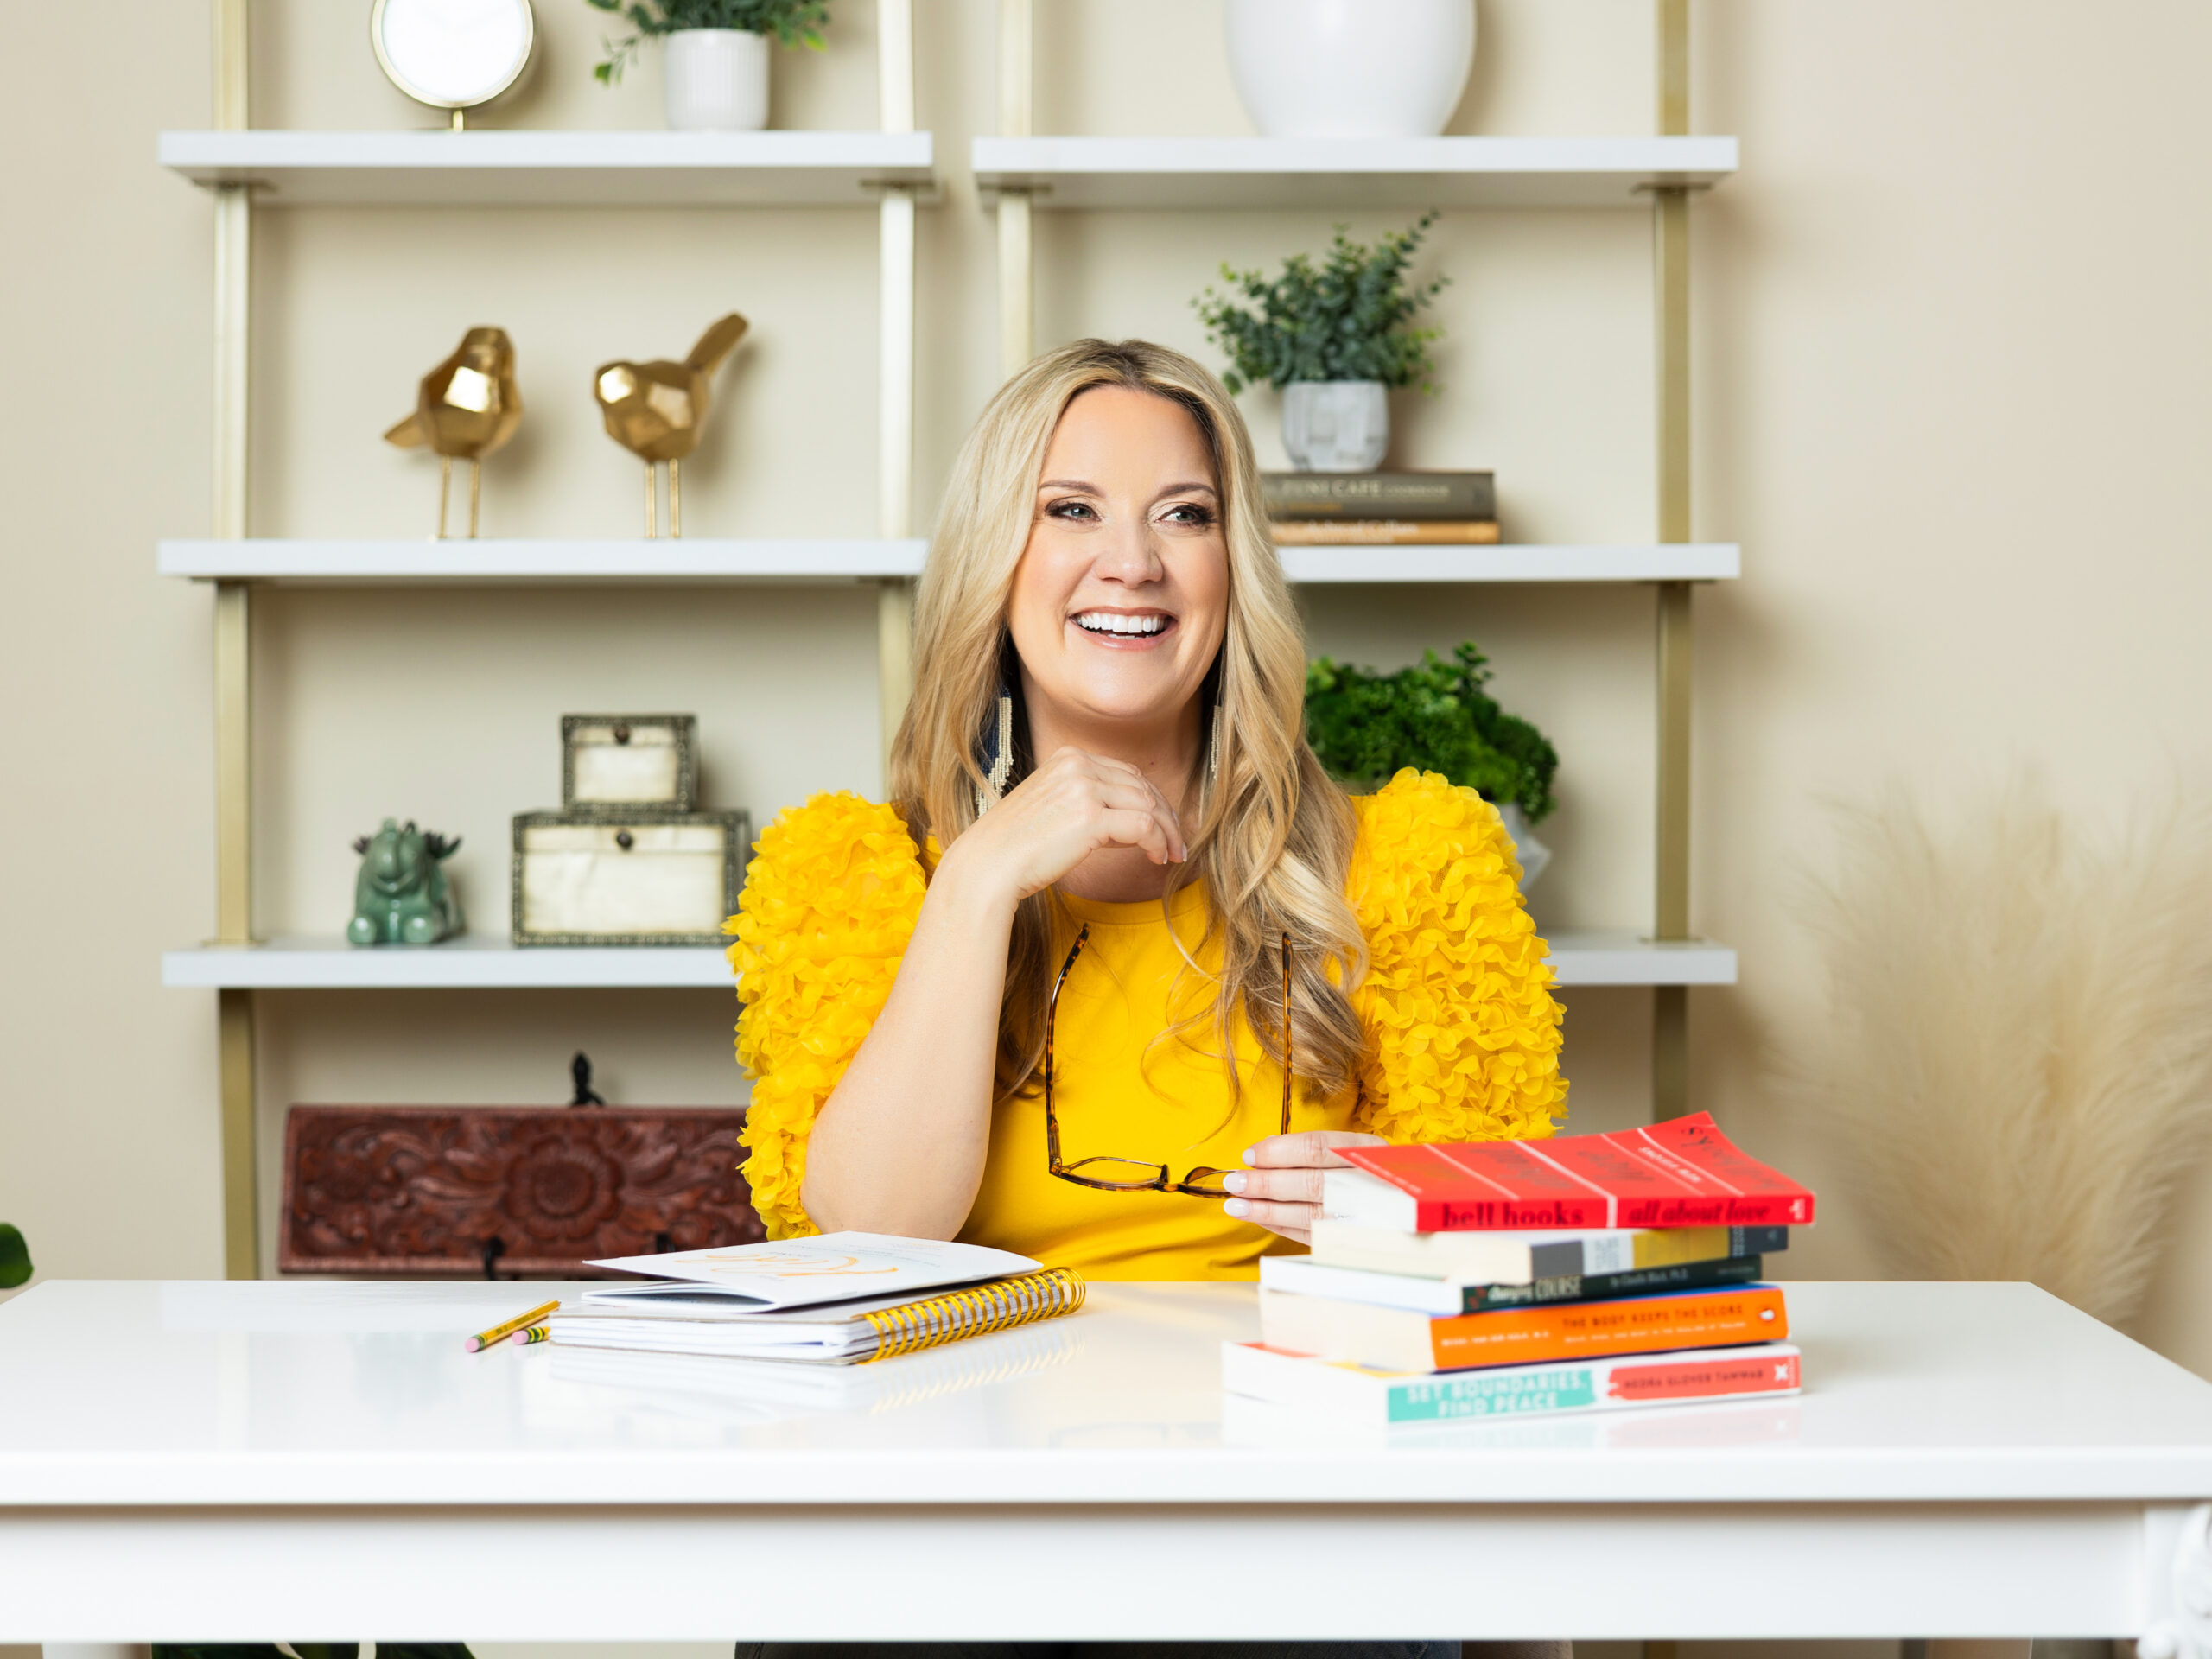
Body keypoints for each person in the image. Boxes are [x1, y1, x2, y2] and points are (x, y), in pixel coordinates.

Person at [728, 337, 1567, 1277]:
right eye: (1071, 510)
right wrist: (974, 885)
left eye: (1185, 514)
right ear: (992, 562)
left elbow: (1521, 1255)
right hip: (975, 1413)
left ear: (1232, 566)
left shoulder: (1417, 869)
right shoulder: (852, 879)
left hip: (1295, 1405)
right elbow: (864, 1242)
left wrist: (1418, 1205)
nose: (1131, 563)